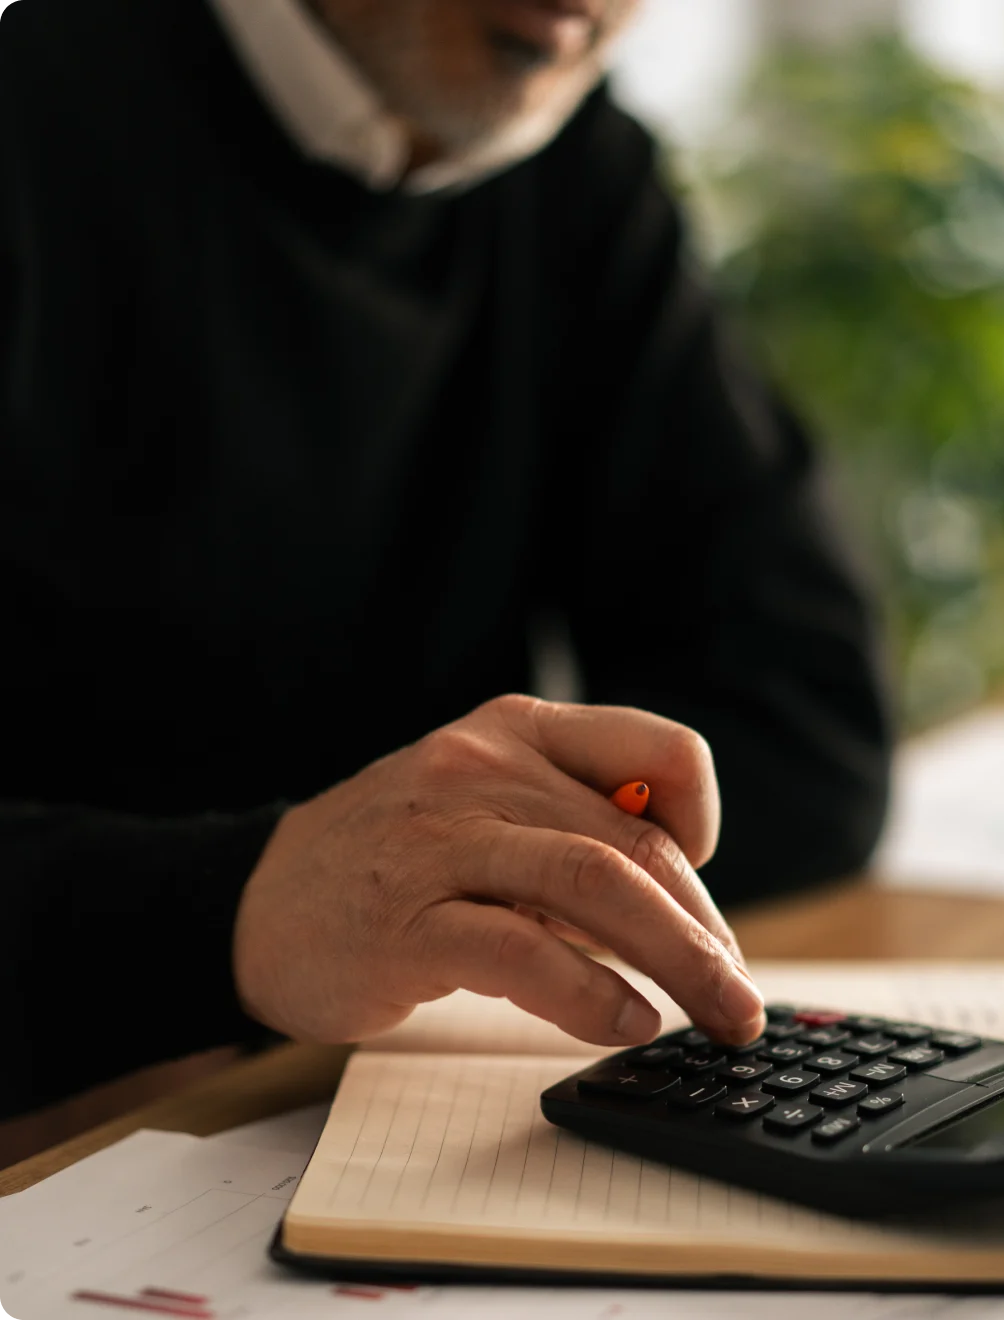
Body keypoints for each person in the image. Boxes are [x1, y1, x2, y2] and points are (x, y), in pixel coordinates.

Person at [0, 0, 891, 1122]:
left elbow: (805, 729)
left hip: (343, 1109)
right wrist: (233, 918)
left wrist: (511, 868)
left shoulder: (567, 161)